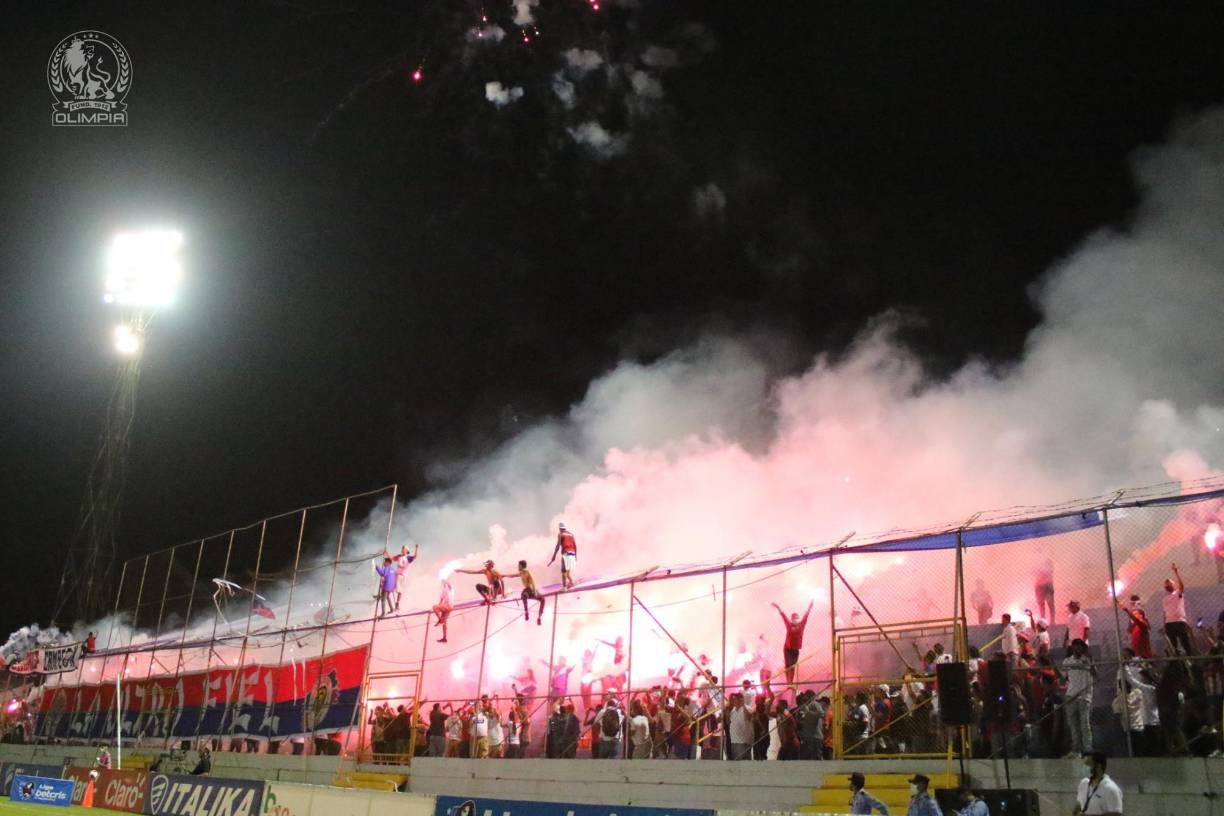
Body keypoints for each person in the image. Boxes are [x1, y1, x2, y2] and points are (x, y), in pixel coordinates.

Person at [1062, 639, 1096, 756]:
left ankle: (1087, 748)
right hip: (1071, 695)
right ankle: (1076, 749)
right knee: (1073, 725)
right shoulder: (1067, 661)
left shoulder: (1087, 660)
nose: (1077, 649)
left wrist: (1090, 661)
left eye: (1080, 646)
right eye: (1075, 646)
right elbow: (1063, 678)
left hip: (1084, 696)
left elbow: (1095, 675)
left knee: (1085, 724)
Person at [772, 600, 813, 687]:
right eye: (793, 618)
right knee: (788, 665)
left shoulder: (801, 625)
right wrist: (778, 607)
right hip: (787, 648)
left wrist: (809, 607)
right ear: (791, 619)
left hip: (796, 649)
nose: (795, 620)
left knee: (793, 666)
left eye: (796, 618)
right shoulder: (789, 625)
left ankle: (791, 682)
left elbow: (806, 616)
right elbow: (783, 616)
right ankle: (789, 683)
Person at [1073, 751, 1123, 816]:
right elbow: (1079, 805)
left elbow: (1116, 814)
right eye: (1084, 765)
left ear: (1098, 766)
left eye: (1088, 764)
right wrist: (1076, 812)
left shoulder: (1111, 789)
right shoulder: (1084, 783)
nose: (1084, 767)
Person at [1162, 563, 1193, 655]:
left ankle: (1190, 659)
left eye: (1169, 584)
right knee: (1172, 646)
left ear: (1173, 585)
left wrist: (1176, 572)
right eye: (1166, 585)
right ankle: (1175, 661)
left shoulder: (1177, 593)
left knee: (1185, 643)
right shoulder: (1164, 599)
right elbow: (1164, 613)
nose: (1168, 586)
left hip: (1179, 621)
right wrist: (1164, 624)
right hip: (1169, 623)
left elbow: (1182, 586)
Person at [505, 560, 545, 624]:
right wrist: (504, 575)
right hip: (529, 590)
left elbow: (532, 582)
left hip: (530, 589)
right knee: (527, 596)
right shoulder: (521, 573)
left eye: (519, 565)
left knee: (540, 599)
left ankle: (535, 616)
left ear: (521, 566)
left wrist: (534, 591)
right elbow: (513, 576)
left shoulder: (526, 572)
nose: (518, 567)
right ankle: (533, 615)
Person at [549, 522, 578, 590]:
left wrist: (554, 556)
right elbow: (575, 545)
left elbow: (558, 546)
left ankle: (564, 587)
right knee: (567, 572)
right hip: (572, 553)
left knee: (563, 571)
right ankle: (571, 583)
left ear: (560, 528)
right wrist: (575, 556)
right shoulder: (571, 534)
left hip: (566, 553)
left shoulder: (560, 534)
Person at [391, 543, 420, 611]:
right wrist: (386, 553)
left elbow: (415, 556)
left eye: (403, 549)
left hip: (402, 576)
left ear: (407, 551)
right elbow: (392, 558)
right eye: (402, 548)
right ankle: (385, 596)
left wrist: (416, 548)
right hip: (396, 574)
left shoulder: (408, 558)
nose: (402, 550)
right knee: (391, 586)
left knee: (400, 591)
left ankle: (397, 603)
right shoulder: (399, 556)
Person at [726, 693, 752, 760]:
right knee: (736, 762)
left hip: (743, 741)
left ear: (740, 699)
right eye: (733, 699)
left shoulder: (747, 708)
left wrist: (743, 705)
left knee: (743, 763)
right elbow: (728, 722)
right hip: (734, 741)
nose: (733, 701)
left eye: (735, 699)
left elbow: (748, 717)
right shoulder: (732, 711)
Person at [1033, 557, 1056, 624]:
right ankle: (1043, 621)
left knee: (1050, 604)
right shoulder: (1038, 565)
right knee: (1041, 605)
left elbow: (1049, 572)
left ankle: (1052, 621)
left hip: (1047, 586)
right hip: (1039, 586)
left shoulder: (1048, 567)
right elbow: (1034, 572)